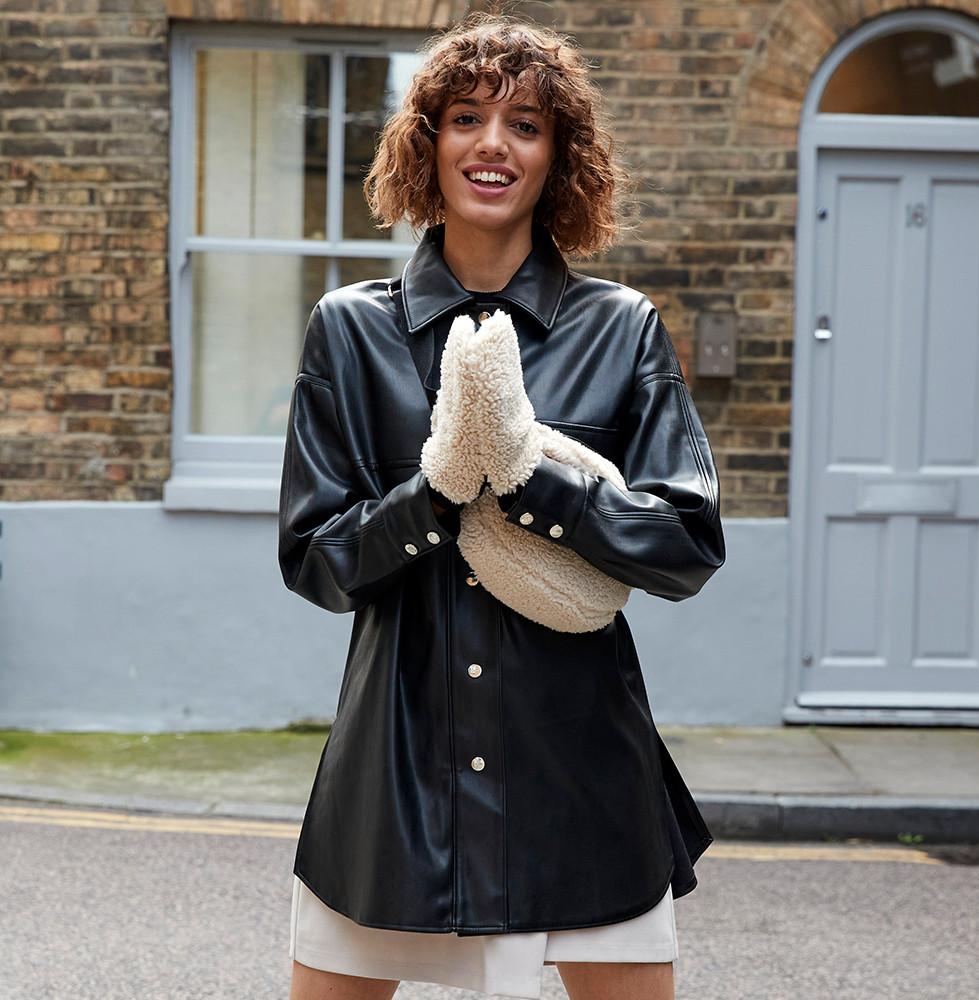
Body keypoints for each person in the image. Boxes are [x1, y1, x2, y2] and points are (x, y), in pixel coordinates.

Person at [278, 12, 726, 1000]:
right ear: (426, 144)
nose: (492, 142)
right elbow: (314, 560)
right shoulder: (350, 333)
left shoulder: (621, 330)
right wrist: (435, 492)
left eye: (525, 123)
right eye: (466, 117)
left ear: (558, 155)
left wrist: (531, 476)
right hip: (393, 782)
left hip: (581, 777)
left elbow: (686, 545)